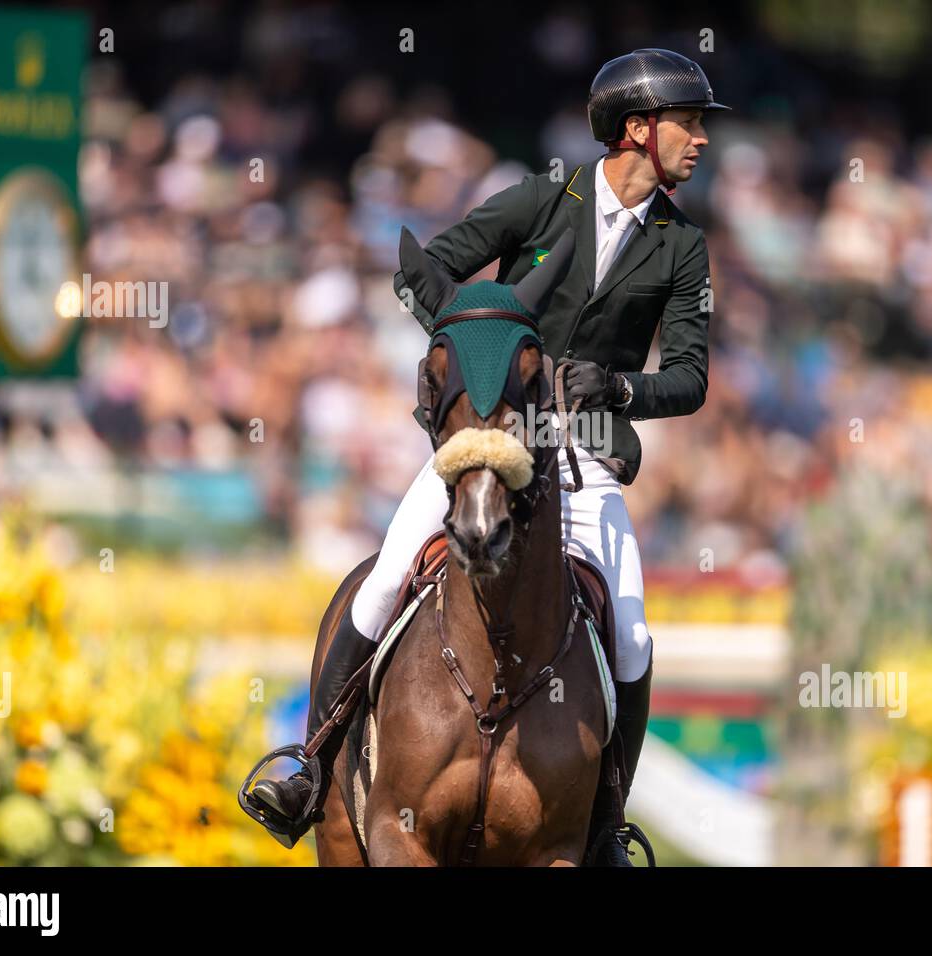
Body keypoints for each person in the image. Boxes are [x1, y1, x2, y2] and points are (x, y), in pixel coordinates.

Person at [248, 48, 727, 865]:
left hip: (584, 458)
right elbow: (429, 273)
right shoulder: (545, 200)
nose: (701, 141)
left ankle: (605, 829)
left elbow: (688, 378)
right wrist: (475, 355)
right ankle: (312, 766)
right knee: (387, 575)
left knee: (634, 637)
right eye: (688, 123)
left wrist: (614, 386)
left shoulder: (682, 248)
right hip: (490, 438)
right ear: (638, 130)